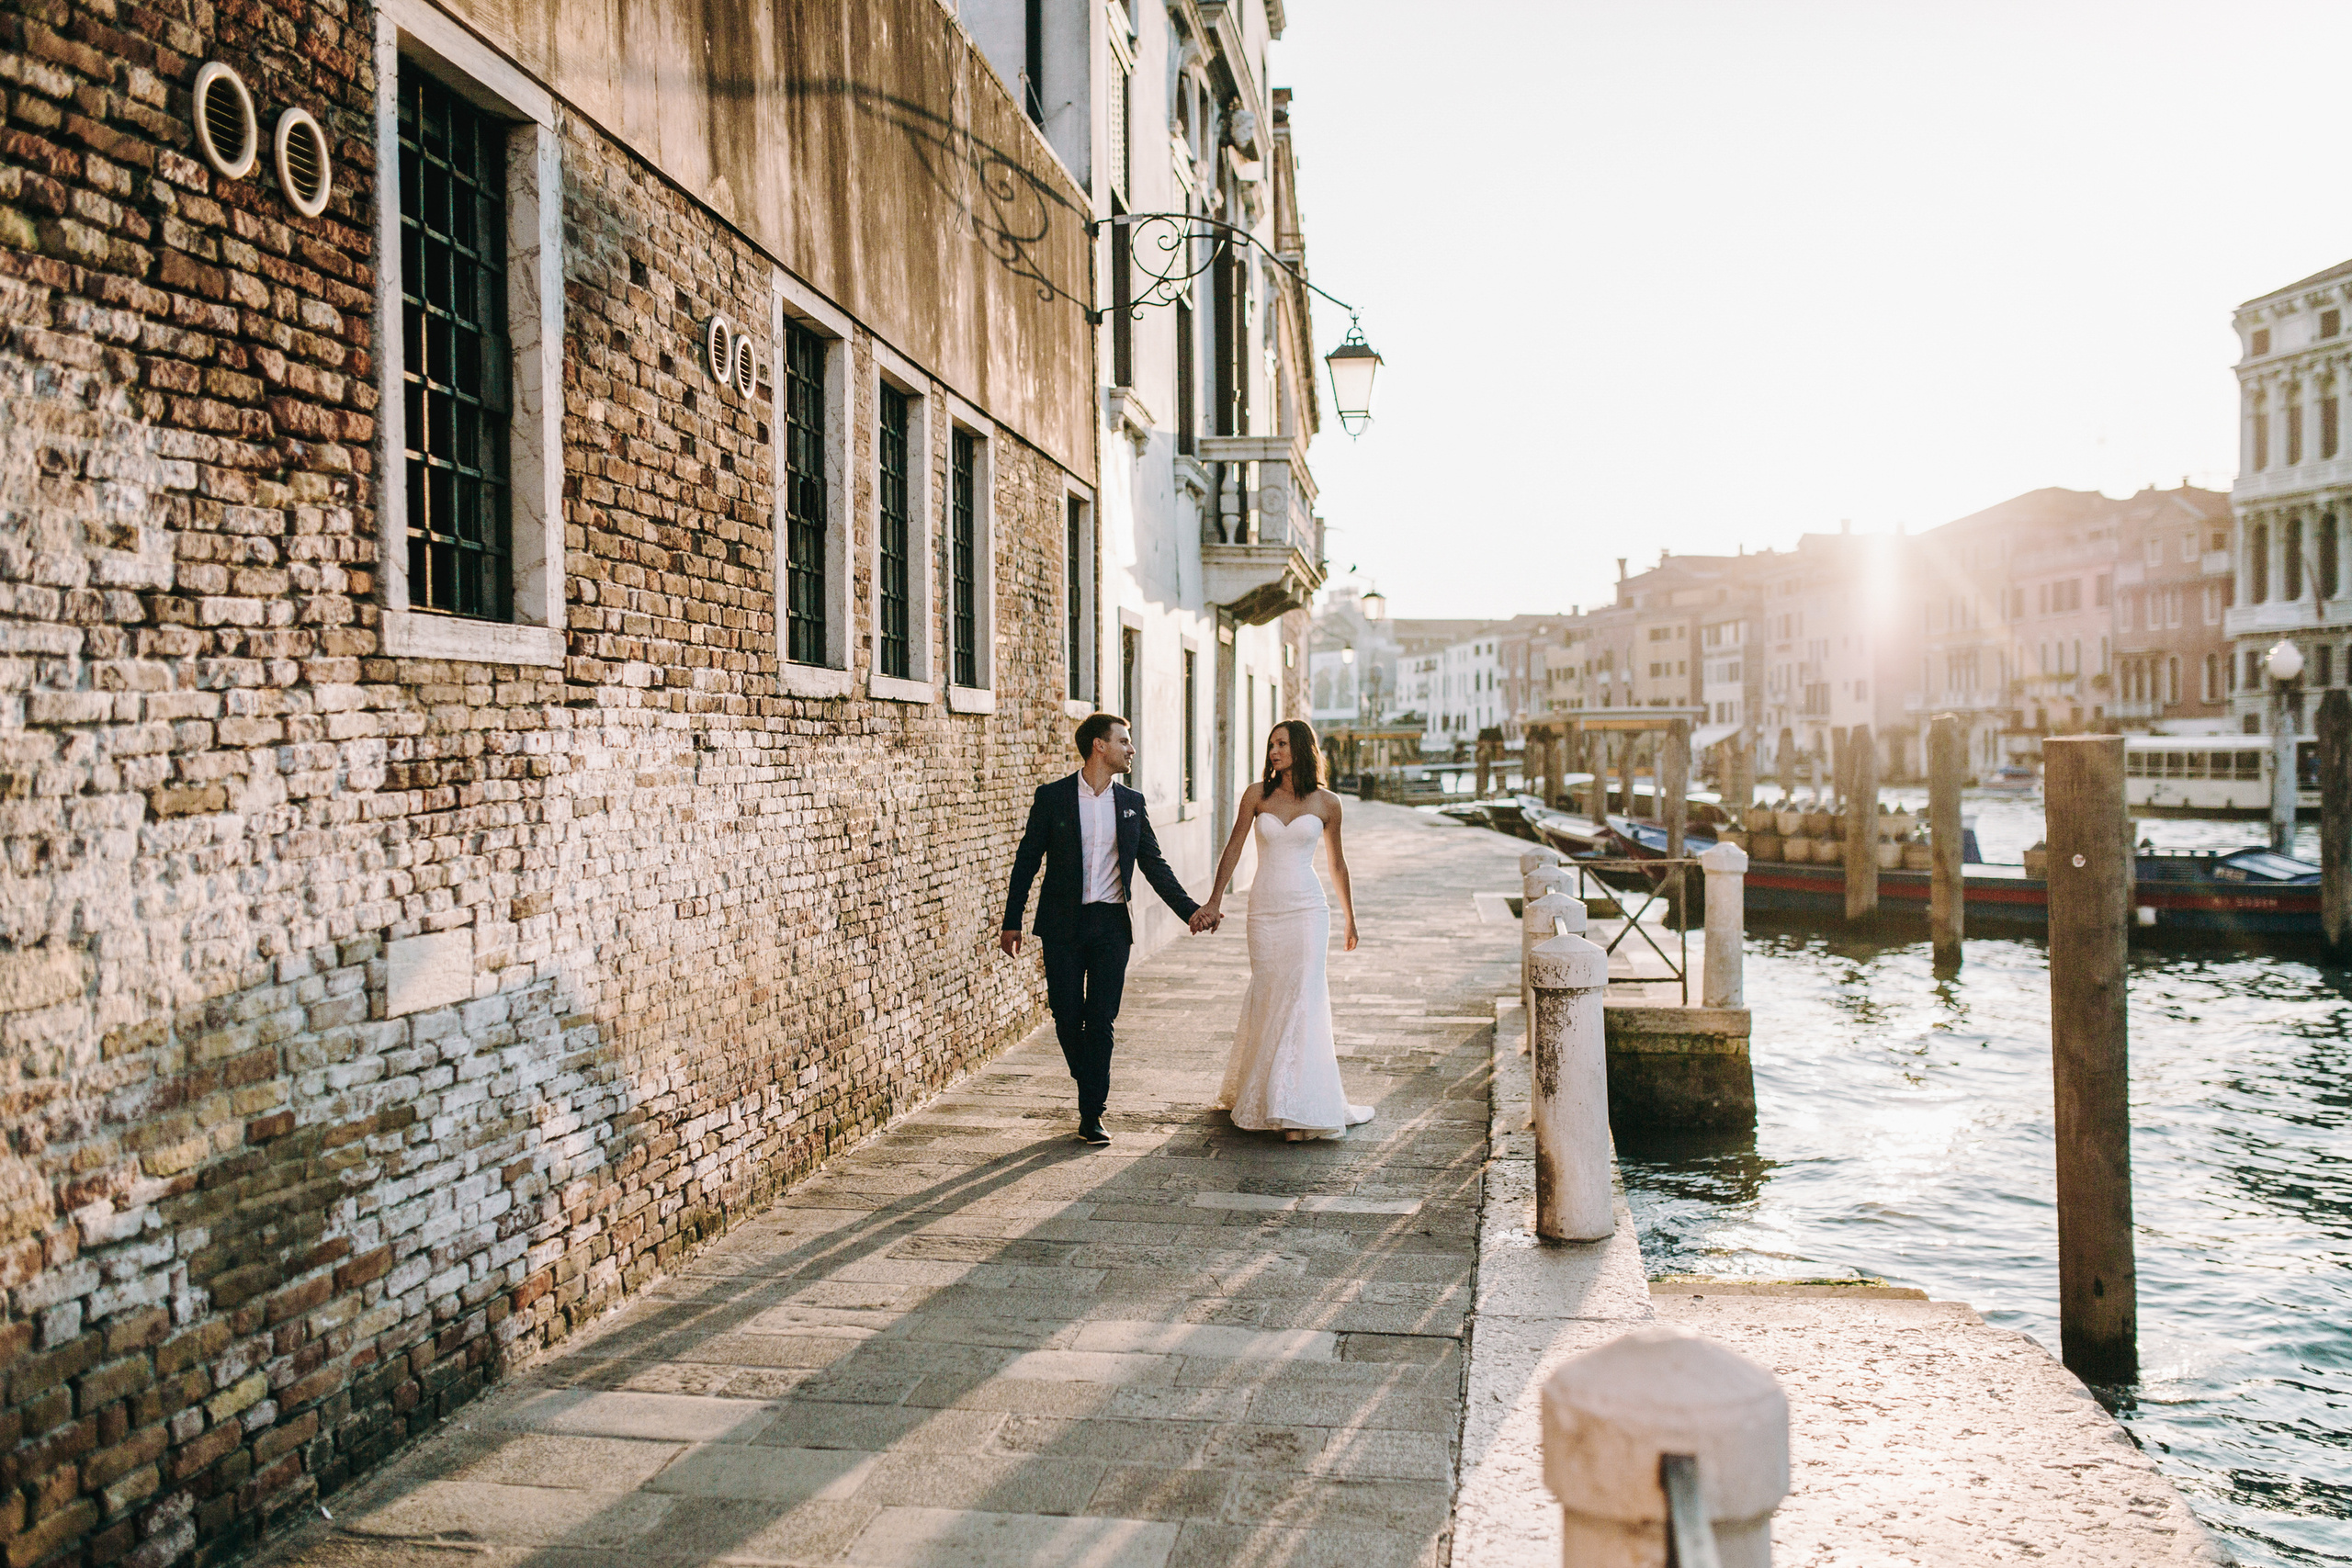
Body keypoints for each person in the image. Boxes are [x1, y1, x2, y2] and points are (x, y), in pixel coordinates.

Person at [1001, 714, 1208, 1145]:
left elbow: (1154, 864)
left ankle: (1092, 1111)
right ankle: (1090, 1078)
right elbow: (1026, 861)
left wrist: (1190, 910)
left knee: (1101, 1020)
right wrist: (1011, 921)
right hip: (1062, 925)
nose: (1131, 749)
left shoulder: (1131, 802)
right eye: (1124, 741)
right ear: (1099, 746)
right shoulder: (1053, 797)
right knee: (1065, 1014)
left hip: (1112, 925)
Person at [1192, 718, 1373, 1141]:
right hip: (1265, 909)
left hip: (1309, 910)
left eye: (1282, 744)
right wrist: (1215, 900)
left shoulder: (1328, 803)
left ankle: (1295, 1110)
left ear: (1302, 749)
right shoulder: (1257, 795)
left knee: (1304, 997)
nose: (1274, 751)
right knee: (1271, 991)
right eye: (1271, 744)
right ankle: (1269, 1097)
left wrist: (1350, 916)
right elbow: (1234, 847)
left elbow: (1337, 864)